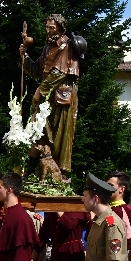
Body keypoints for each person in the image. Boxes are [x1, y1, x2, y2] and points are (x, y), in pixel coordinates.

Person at [20, 14, 82, 177]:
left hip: (61, 95)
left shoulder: (68, 45)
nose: (48, 31)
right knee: (38, 129)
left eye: (52, 28)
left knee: (58, 133)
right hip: (48, 93)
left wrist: (41, 90)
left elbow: (60, 71)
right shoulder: (48, 46)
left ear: (61, 28)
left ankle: (59, 173)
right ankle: (32, 169)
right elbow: (38, 70)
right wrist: (24, 56)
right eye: (47, 27)